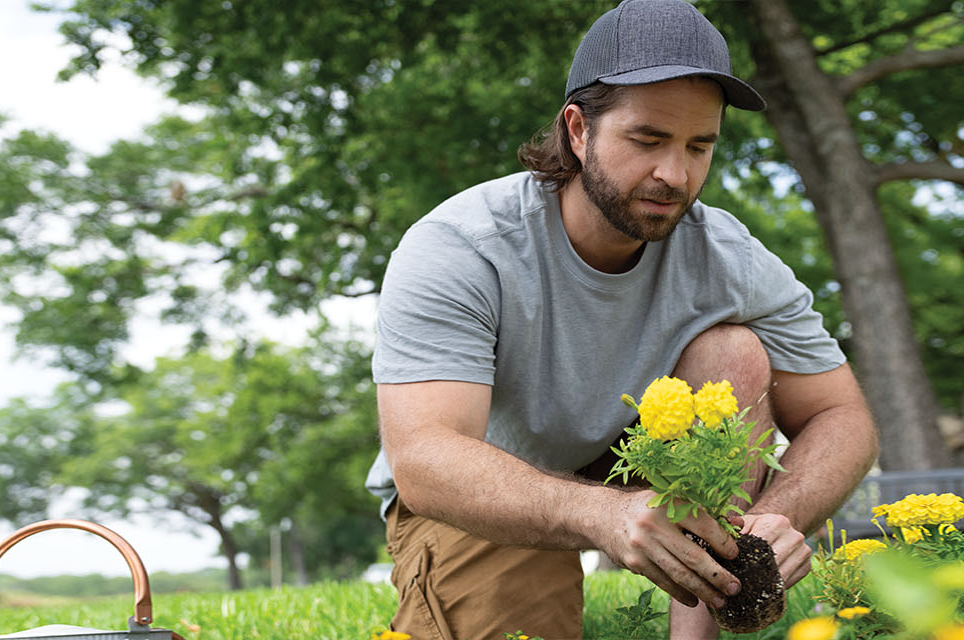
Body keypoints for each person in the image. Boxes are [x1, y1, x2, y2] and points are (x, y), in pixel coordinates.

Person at [365, 1, 879, 637]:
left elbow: (843, 416)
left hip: (631, 454)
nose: (675, 174)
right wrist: (604, 516)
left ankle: (699, 622)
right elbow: (425, 457)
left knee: (733, 352)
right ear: (578, 131)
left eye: (700, 146)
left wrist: (778, 517)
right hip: (484, 487)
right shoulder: (462, 246)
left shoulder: (728, 255)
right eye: (647, 140)